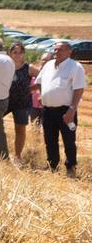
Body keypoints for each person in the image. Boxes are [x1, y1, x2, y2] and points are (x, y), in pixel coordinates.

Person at [32, 40, 84, 176]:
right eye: (55, 49)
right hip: (48, 110)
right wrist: (40, 94)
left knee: (69, 140)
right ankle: (52, 166)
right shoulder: (48, 65)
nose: (56, 52)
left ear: (69, 51)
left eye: (60, 49)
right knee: (50, 140)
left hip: (66, 111)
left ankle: (70, 167)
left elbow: (79, 90)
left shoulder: (75, 67)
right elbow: (39, 83)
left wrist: (71, 110)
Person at [4, 41, 34, 163]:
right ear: (10, 53)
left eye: (20, 52)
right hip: (5, 100)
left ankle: (17, 156)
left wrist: (32, 89)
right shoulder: (5, 66)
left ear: (24, 54)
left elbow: (43, 78)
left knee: (20, 130)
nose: (17, 55)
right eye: (15, 52)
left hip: (22, 102)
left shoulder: (29, 68)